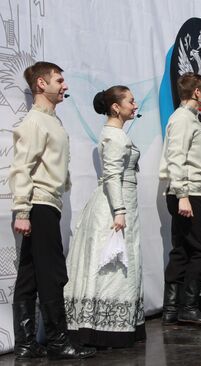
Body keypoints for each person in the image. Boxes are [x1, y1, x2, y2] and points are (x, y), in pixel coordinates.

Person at [9, 61, 95, 359]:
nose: (65, 85)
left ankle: (25, 343)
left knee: (31, 275)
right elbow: (21, 168)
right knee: (52, 273)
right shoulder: (34, 122)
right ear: (41, 84)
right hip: (39, 205)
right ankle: (58, 341)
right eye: (59, 80)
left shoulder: (52, 121)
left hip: (47, 204)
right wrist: (22, 211)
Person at [63, 86, 145, 347]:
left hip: (124, 201)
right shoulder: (112, 136)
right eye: (130, 101)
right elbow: (111, 175)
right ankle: (102, 328)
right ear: (115, 107)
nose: (135, 105)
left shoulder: (118, 134)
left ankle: (120, 323)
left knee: (124, 260)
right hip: (114, 205)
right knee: (112, 262)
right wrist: (119, 211)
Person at [159, 72, 201, 326]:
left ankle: (172, 308)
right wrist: (184, 195)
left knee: (183, 249)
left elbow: (193, 159)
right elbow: (177, 157)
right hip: (187, 192)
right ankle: (189, 305)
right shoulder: (183, 118)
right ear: (196, 92)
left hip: (193, 189)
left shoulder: (186, 119)